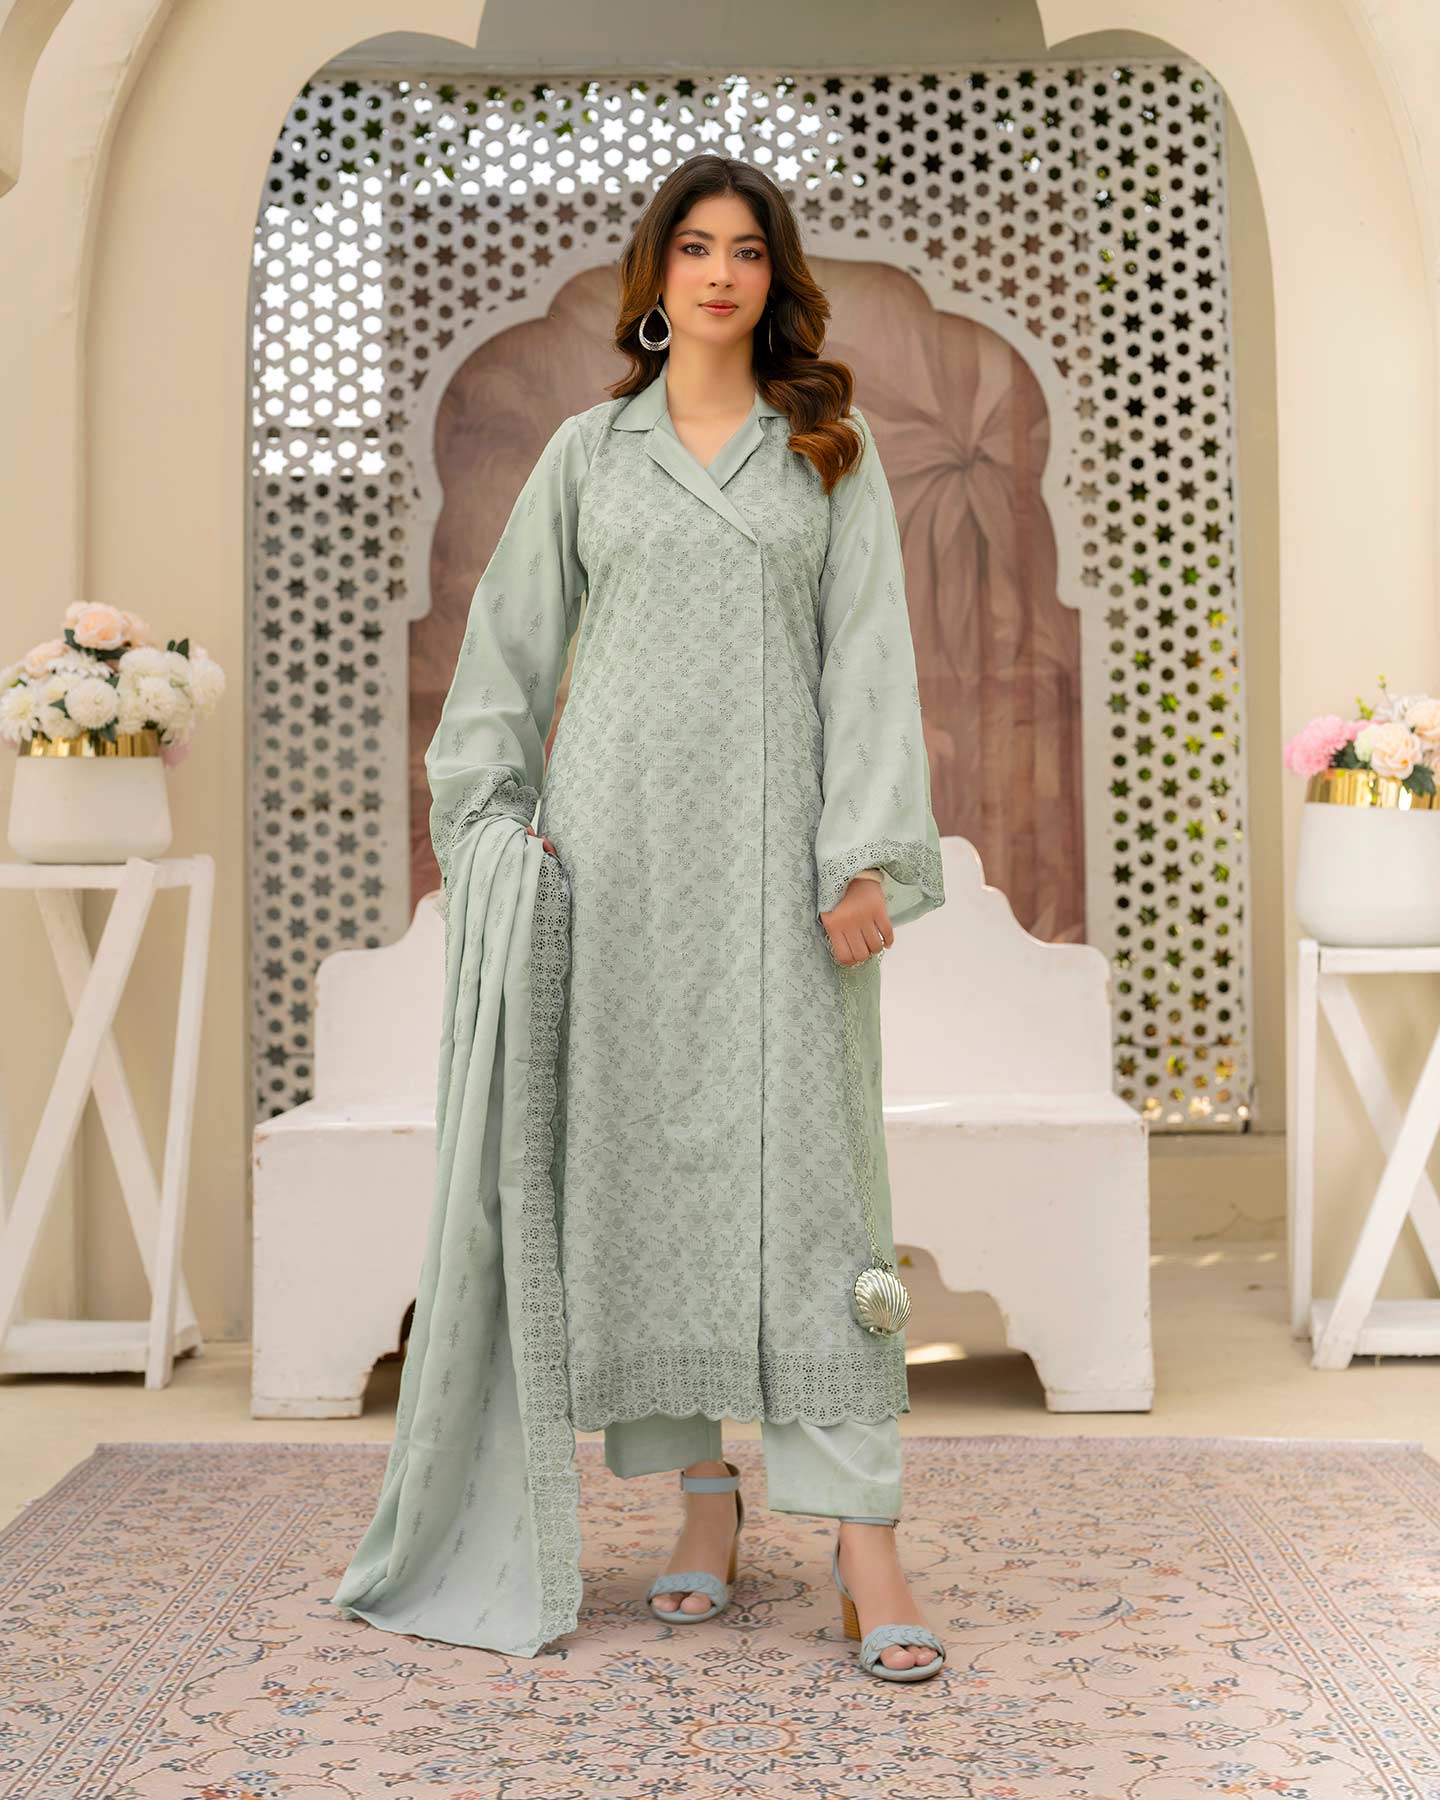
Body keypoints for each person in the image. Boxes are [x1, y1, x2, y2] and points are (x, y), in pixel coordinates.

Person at [336, 153, 948, 1682]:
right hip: (613, 873)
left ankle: (864, 1534)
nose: (721, 273)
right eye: (695, 247)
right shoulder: (588, 455)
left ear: (774, 278)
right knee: (643, 1183)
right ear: (656, 275)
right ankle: (702, 1501)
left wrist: (865, 857)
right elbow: (506, 655)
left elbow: (872, 659)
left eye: (747, 249)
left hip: (783, 872)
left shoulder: (828, 451)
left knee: (817, 1189)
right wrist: (492, 830)